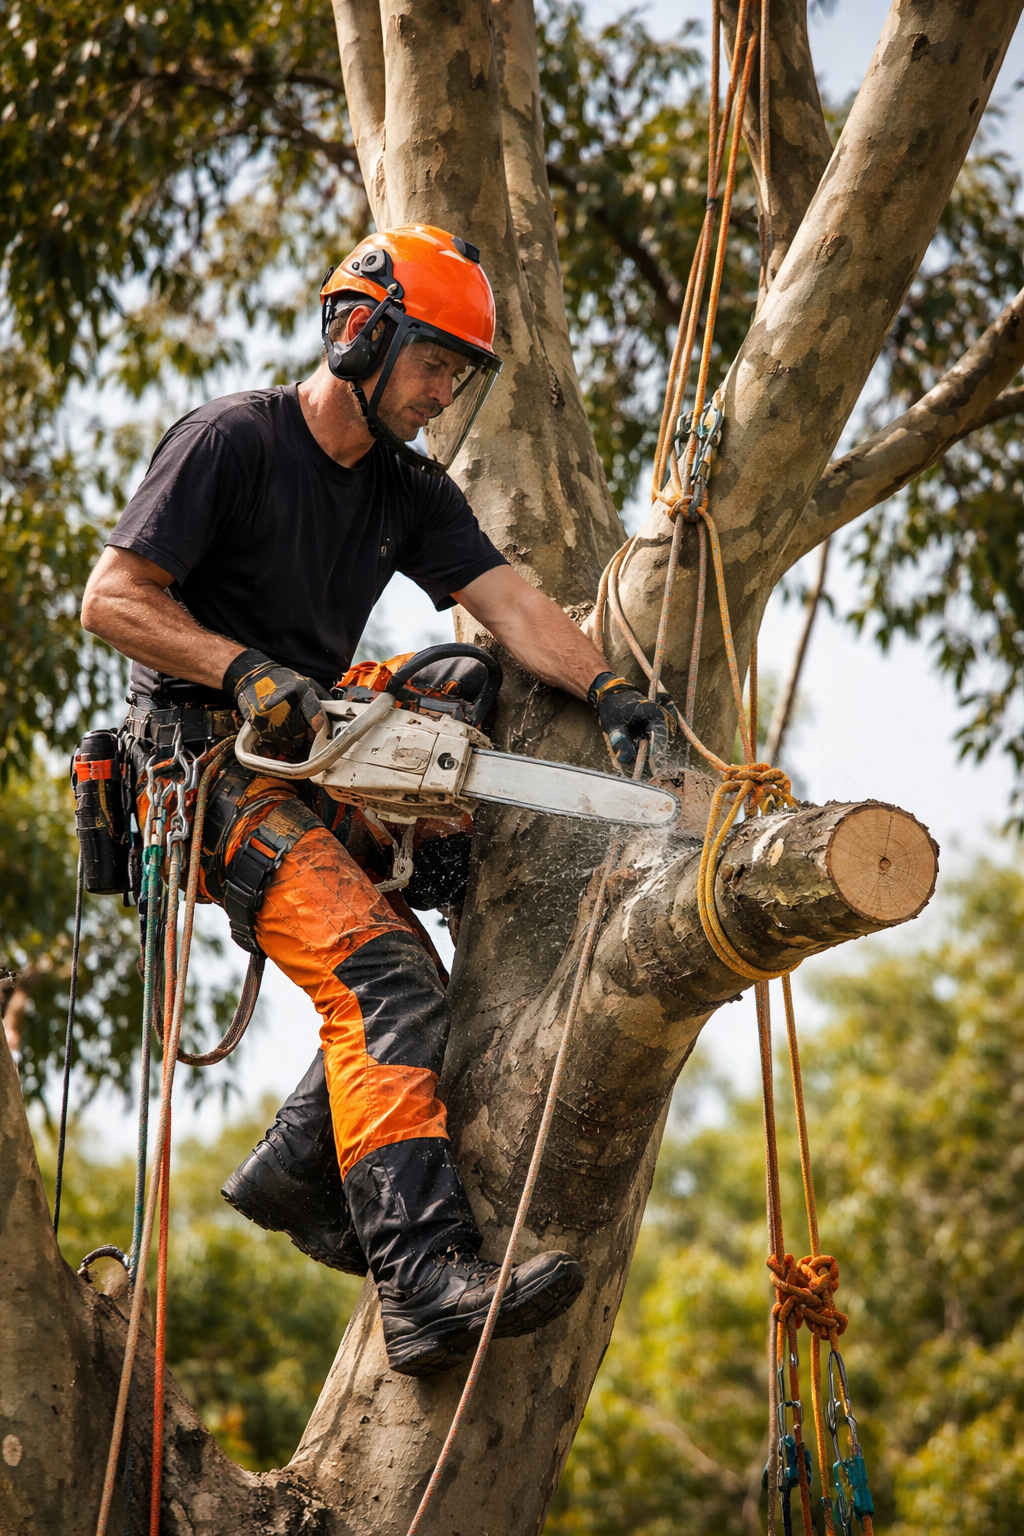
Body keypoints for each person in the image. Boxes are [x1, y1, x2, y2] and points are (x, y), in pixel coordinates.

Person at [81, 224, 677, 1376]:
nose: (443, 386)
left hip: (309, 758)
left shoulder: (408, 490)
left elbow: (508, 607)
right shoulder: (234, 441)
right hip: (199, 768)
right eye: (432, 359)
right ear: (361, 333)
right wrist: (242, 667)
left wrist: (608, 689)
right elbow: (113, 598)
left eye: (459, 368)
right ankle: (423, 1284)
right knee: (386, 981)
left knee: (458, 687)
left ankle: (301, 1166)